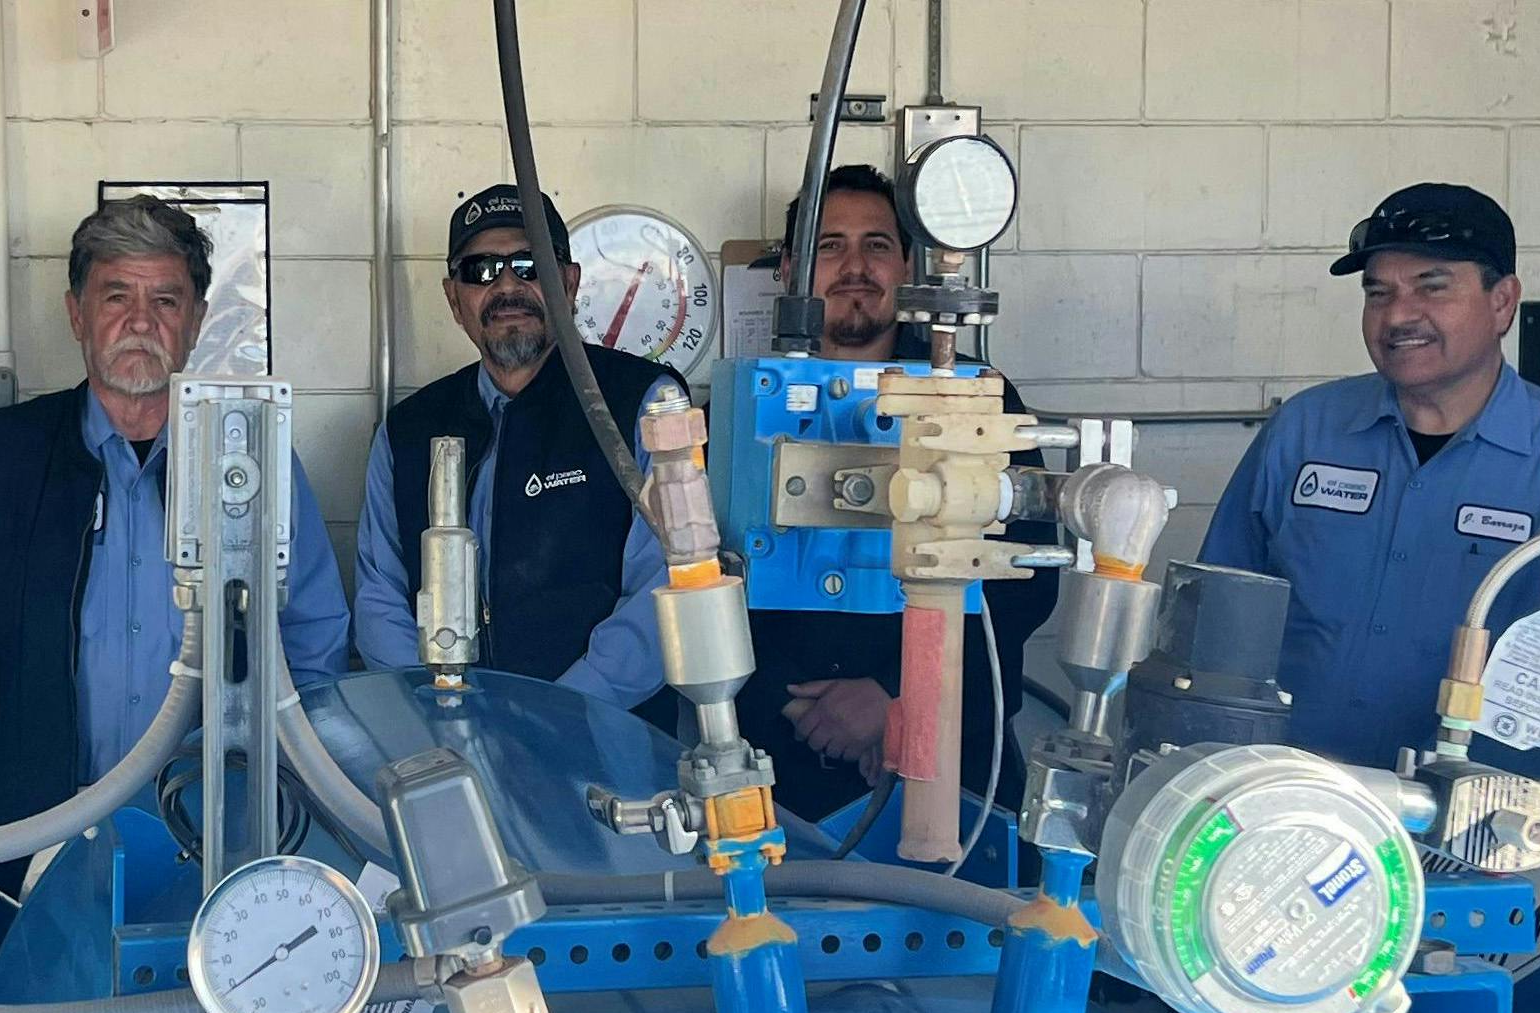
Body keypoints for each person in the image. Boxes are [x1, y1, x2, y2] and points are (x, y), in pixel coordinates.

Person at [0, 197, 351, 973]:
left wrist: (291, 810)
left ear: (197, 317)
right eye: (117, 296)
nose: (139, 321)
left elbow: (312, 645)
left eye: (164, 299)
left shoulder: (253, 460)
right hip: (28, 839)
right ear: (76, 314)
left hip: (211, 842)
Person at [732, 163, 1059, 828]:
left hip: (951, 755)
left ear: (907, 265)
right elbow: (702, 571)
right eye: (829, 246)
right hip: (777, 761)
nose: (854, 266)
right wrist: (794, 703)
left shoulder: (973, 397)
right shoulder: (742, 405)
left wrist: (895, 697)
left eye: (876, 245)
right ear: (790, 269)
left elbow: (1022, 580)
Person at [1200, 183, 1540, 771]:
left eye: (1431, 288)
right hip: (1294, 801)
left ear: (1503, 303)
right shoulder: (1305, 429)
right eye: (1378, 293)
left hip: (1481, 812)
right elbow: (1217, 611)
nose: (1398, 316)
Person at [351, 184, 680, 720]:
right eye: (480, 270)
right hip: (447, 744)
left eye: (531, 265)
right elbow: (379, 595)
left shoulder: (642, 402)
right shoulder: (407, 430)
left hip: (606, 741)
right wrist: (432, 715)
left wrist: (560, 715)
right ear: (454, 299)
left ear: (568, 283)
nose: (507, 285)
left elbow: (665, 586)